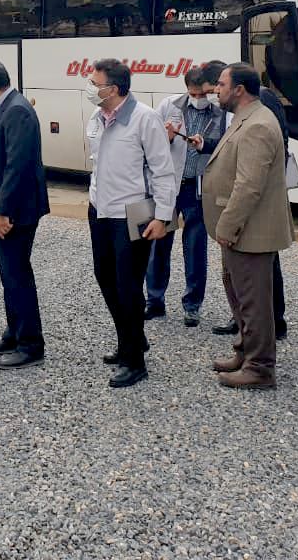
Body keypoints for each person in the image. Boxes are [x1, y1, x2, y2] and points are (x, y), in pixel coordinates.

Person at [201, 63, 294, 390]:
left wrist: (227, 226)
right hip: (241, 231)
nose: (216, 89)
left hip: (249, 232)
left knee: (254, 302)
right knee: (240, 296)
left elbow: (249, 186)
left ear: (239, 89)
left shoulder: (257, 125)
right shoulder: (246, 118)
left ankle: (260, 368)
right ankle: (245, 351)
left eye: (222, 84)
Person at [84, 59, 177, 388]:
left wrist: (162, 217)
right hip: (100, 211)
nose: (91, 88)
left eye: (96, 84)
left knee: (128, 286)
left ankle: (134, 361)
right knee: (105, 277)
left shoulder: (144, 119)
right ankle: (133, 338)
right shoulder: (97, 117)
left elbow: (163, 172)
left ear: (115, 88)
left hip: (133, 213)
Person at [0, 59, 50, 370]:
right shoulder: (8, 106)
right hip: (6, 211)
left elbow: (16, 165)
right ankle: (14, 332)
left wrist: (2, 211)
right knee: (9, 276)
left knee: (17, 277)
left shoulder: (16, 110)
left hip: (14, 213)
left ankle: (31, 344)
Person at [145, 66, 227, 327]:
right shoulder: (169, 105)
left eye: (201, 93)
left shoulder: (222, 112)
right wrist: (166, 137)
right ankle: (154, 301)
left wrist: (205, 144)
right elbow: (148, 143)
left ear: (210, 89)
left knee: (195, 247)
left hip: (197, 187)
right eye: (192, 93)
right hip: (169, 186)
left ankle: (192, 305)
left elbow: (225, 144)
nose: (197, 98)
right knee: (159, 244)